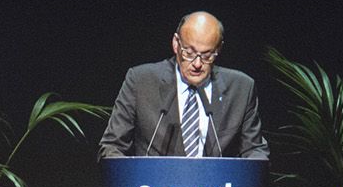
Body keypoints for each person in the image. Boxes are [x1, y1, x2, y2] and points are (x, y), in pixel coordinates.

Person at [97, 11, 268, 160]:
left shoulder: (241, 88)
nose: (197, 63)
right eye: (189, 53)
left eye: (207, 55)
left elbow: (255, 150)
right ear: (176, 43)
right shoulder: (141, 81)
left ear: (219, 48)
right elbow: (112, 147)